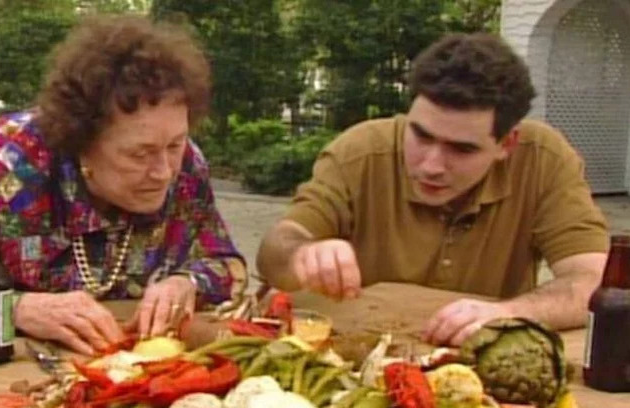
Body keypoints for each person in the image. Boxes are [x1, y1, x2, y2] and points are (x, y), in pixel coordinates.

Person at [0, 15, 247, 355]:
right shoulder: (1, 169)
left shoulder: (186, 165)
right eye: (139, 155)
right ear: (81, 143)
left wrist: (188, 282)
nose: (164, 171)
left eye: (175, 145)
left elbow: (227, 264)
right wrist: (17, 310)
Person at [256, 33, 608, 346]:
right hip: (359, 353)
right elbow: (276, 249)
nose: (431, 165)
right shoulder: (360, 150)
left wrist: (509, 313)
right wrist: (301, 253)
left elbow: (595, 282)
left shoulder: (544, 159)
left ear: (507, 143)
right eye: (421, 135)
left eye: (462, 149)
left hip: (481, 361)